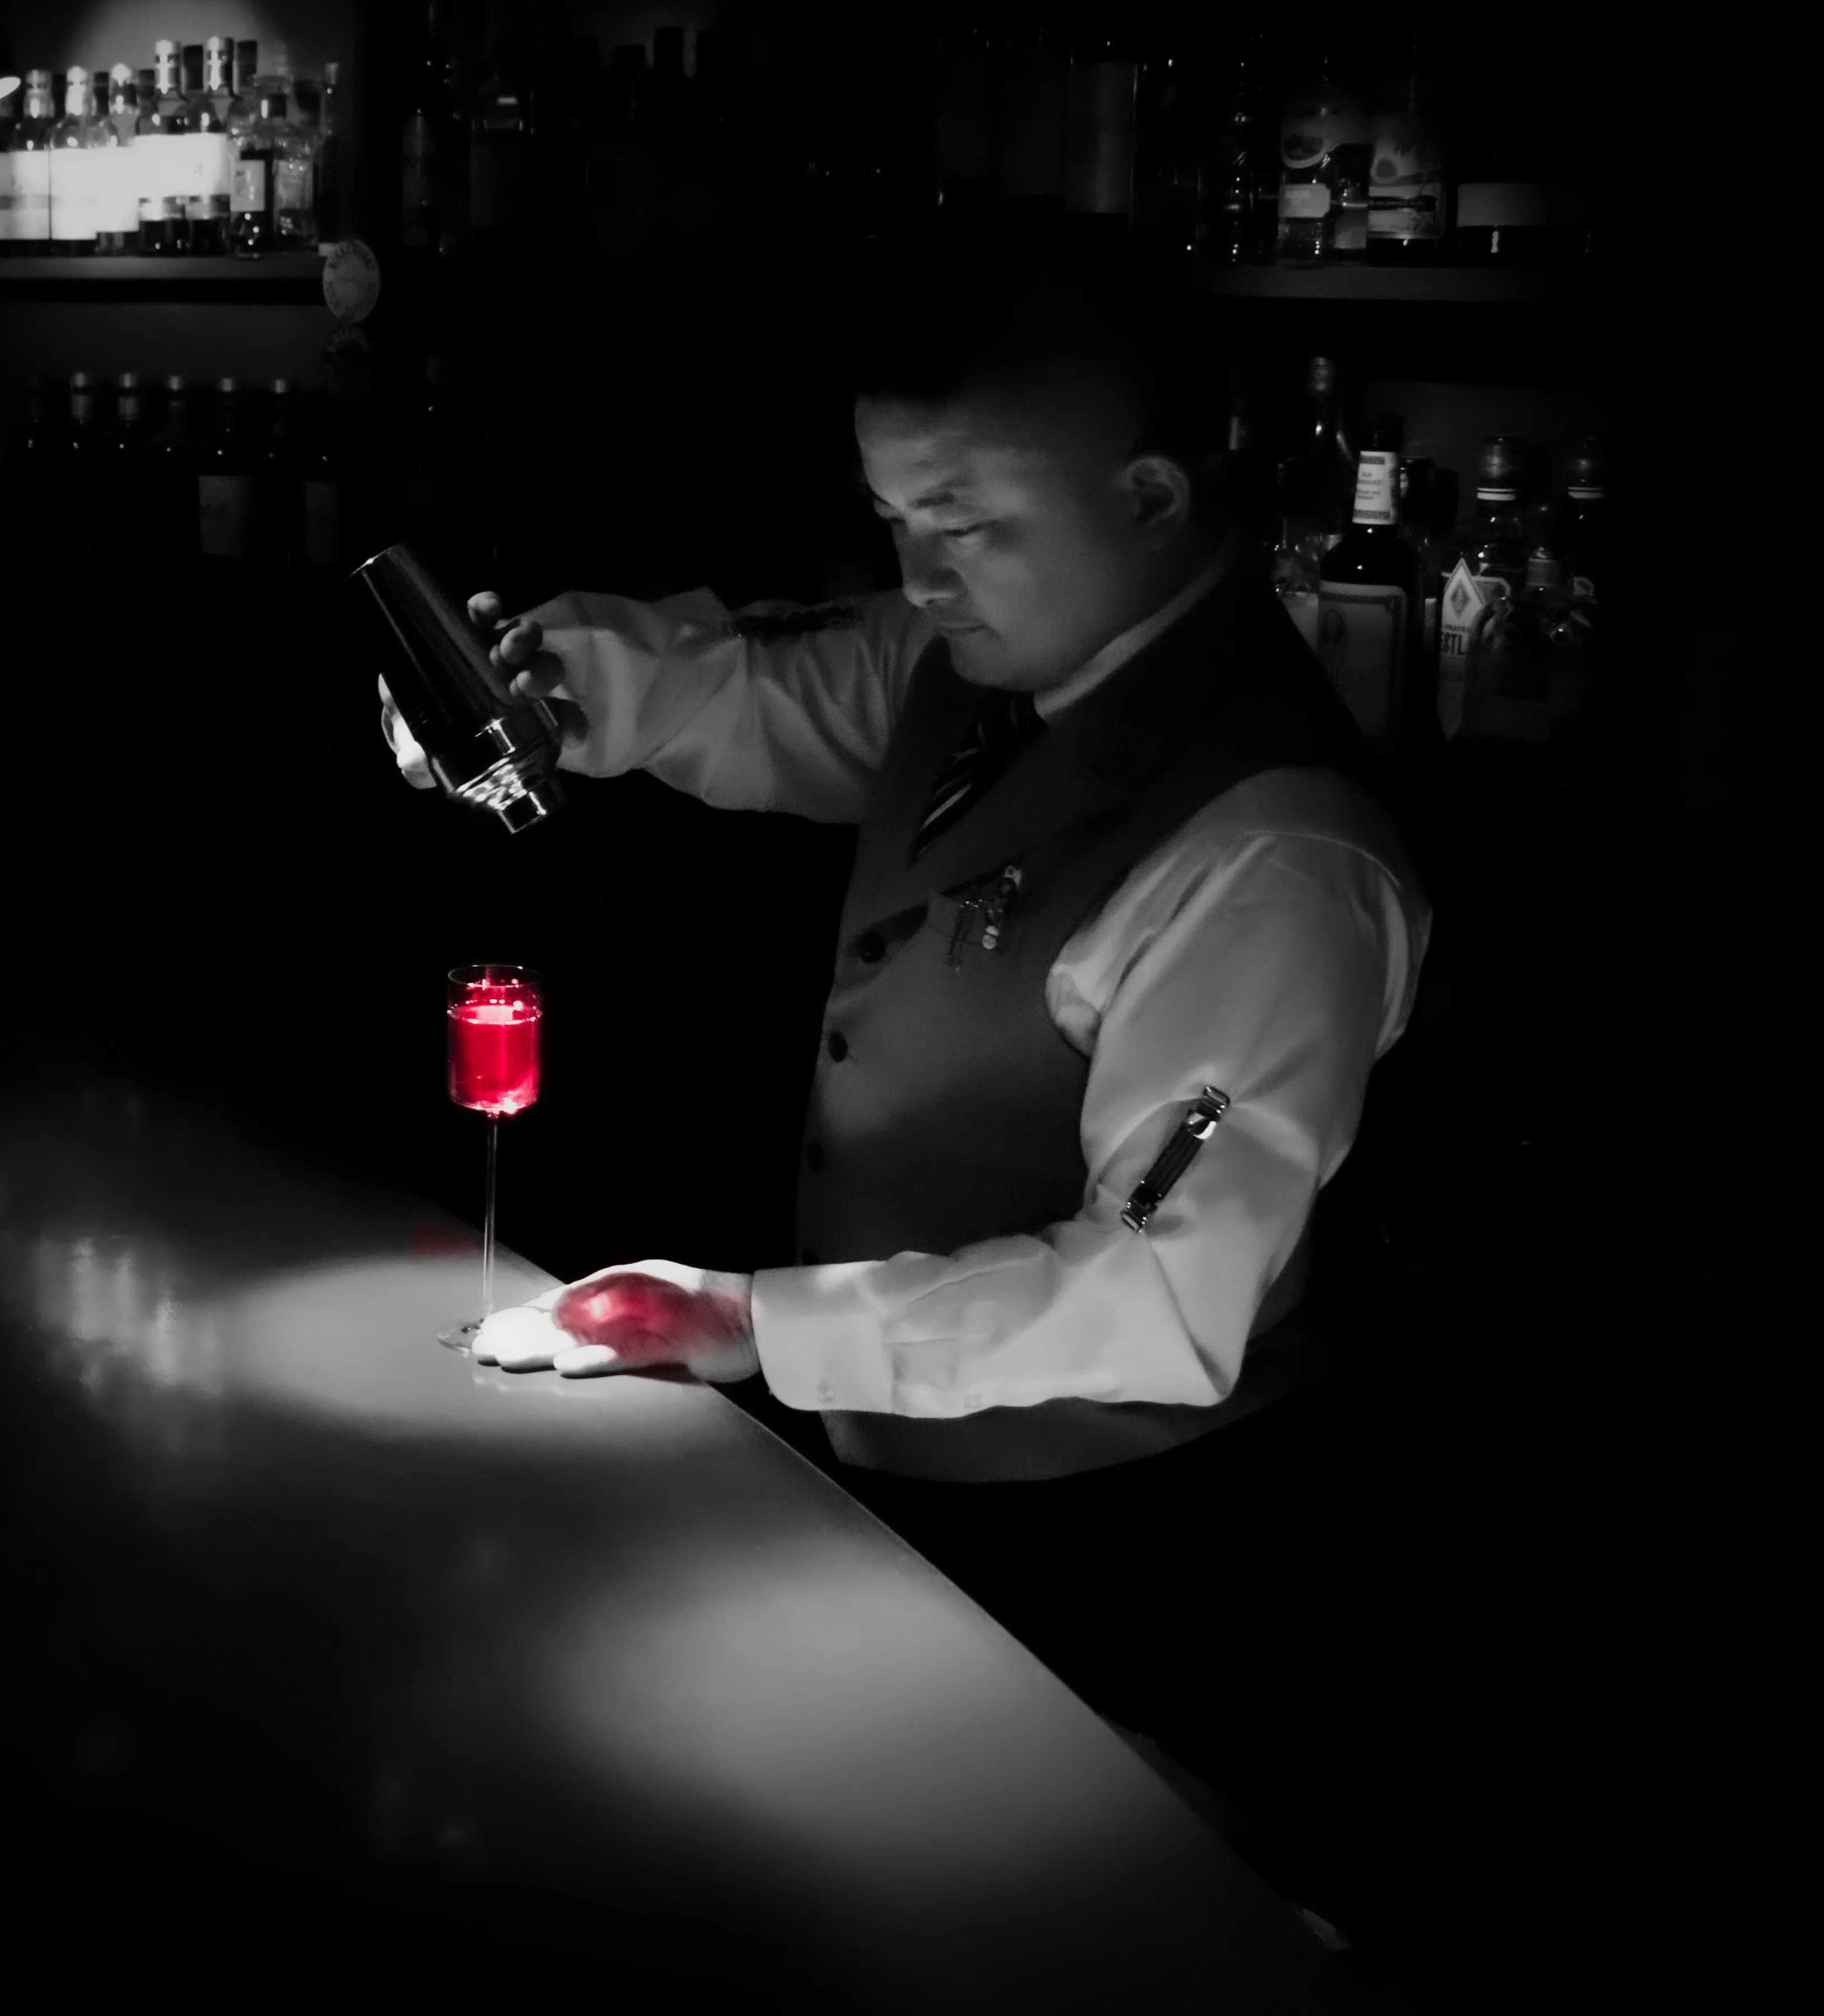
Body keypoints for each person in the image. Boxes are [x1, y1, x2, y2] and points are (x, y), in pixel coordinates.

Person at [380, 227, 1433, 1932]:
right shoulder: (974, 660)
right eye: (893, 519)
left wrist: (753, 1323)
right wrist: (543, 695)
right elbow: (753, 685)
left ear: (1152, 495)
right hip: (903, 1487)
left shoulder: (1274, 857)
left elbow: (1163, 1296)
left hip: (1131, 1546)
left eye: (966, 523)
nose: (922, 574)